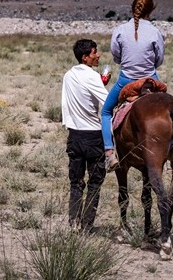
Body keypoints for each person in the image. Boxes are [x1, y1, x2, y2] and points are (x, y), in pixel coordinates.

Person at [102, 0, 165, 171]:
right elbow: (159, 59)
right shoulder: (155, 32)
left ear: (133, 8)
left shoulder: (120, 30)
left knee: (106, 112)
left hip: (126, 80)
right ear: (151, 11)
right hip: (150, 80)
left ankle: (109, 153)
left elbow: (116, 55)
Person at [61, 38, 109, 231]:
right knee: (95, 183)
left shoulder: (68, 75)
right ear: (85, 57)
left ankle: (73, 222)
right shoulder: (93, 76)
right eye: (94, 53)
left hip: (74, 135)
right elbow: (107, 102)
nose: (98, 56)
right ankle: (87, 225)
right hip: (93, 136)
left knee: (76, 182)